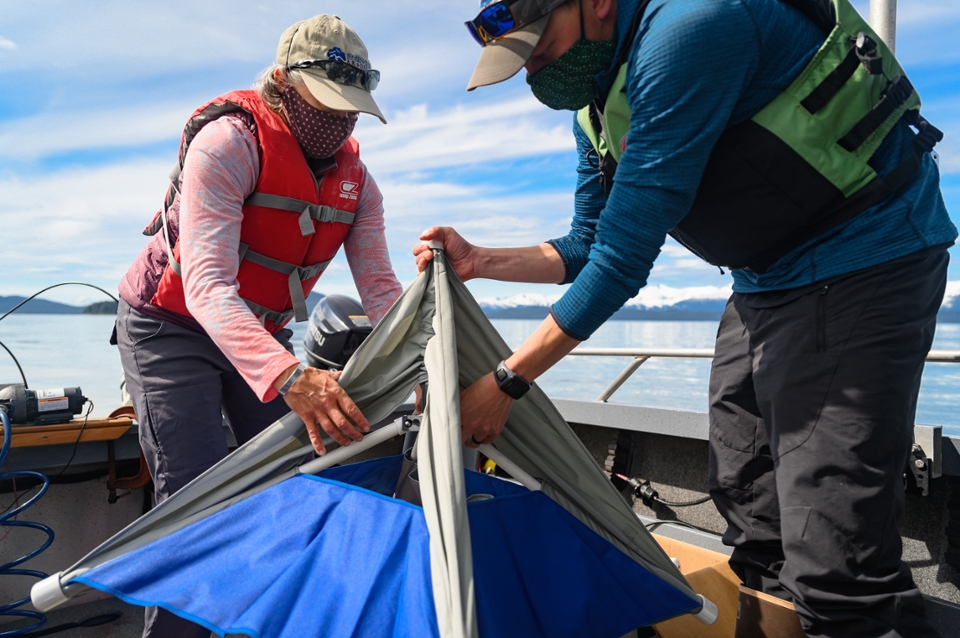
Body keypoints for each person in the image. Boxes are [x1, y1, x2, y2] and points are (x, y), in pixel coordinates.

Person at [413, 0, 957, 636]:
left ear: (596, 4)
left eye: (539, 43)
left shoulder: (691, 31)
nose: (534, 68)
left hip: (866, 261)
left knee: (835, 554)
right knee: (751, 500)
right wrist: (479, 260)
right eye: (521, 57)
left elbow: (622, 259)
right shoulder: (596, 103)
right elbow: (588, 241)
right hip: (764, 282)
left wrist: (506, 382)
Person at [115, 15, 402, 638]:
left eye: (352, 110)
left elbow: (381, 291)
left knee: (284, 483)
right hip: (170, 323)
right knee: (193, 501)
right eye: (326, 104)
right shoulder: (228, 144)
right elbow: (208, 286)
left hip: (259, 329)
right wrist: (294, 376)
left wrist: (425, 366)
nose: (340, 122)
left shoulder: (359, 186)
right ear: (281, 83)